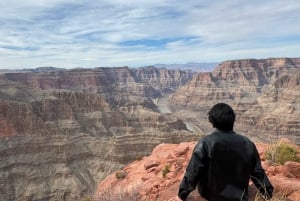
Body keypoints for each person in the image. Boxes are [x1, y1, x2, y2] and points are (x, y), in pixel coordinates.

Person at [177, 103, 273, 201]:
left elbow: (193, 172)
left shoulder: (205, 143)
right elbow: (258, 173)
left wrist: (183, 193)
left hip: (210, 196)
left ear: (212, 121)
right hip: (239, 197)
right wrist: (267, 192)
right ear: (233, 120)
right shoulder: (248, 144)